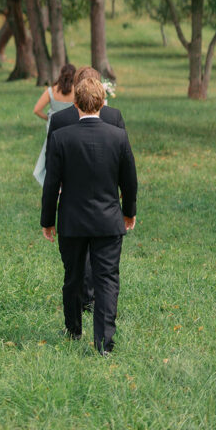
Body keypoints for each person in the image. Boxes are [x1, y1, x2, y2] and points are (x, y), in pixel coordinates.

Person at [41, 76, 138, 356]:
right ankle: (104, 343)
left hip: (72, 220)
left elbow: (51, 184)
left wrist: (48, 220)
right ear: (102, 101)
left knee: (72, 276)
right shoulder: (118, 136)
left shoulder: (61, 137)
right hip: (108, 220)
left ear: (75, 103)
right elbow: (129, 182)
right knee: (107, 279)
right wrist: (128, 213)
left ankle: (73, 329)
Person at [47, 65, 129, 310]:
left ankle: (83, 297)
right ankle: (91, 296)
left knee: (77, 255)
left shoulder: (62, 119)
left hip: (72, 196)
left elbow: (52, 163)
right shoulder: (112, 117)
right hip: (104, 199)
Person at [32, 62, 76, 186]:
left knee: (53, 158)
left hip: (54, 129)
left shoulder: (52, 91)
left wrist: (48, 118)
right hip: (72, 129)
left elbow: (36, 110)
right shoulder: (77, 92)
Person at [47, 65, 126, 136]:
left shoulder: (58, 118)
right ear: (98, 86)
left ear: (75, 87)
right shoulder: (114, 116)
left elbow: (52, 150)